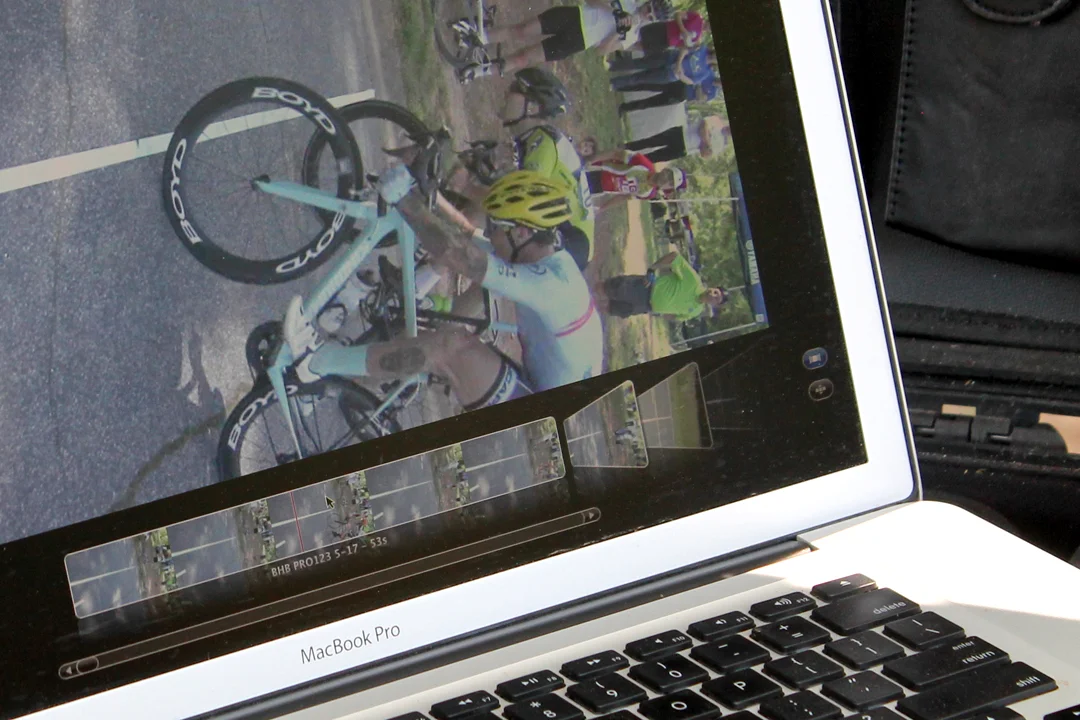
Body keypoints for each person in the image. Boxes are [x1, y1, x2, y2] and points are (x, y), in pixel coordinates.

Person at [283, 167, 604, 413]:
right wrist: (425, 197)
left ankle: (314, 364)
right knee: (448, 330)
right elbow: (466, 239)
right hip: (546, 384)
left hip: (544, 416)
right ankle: (345, 381)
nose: (491, 236)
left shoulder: (551, 285)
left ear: (521, 232)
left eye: (496, 229)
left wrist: (406, 201)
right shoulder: (540, 254)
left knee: (450, 347)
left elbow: (462, 257)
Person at [458, 1, 649, 82]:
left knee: (525, 58)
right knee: (522, 30)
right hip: (574, 17)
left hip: (578, 42)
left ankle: (478, 71)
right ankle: (478, 38)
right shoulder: (628, 2)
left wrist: (618, 32)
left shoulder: (632, 35)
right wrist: (614, 10)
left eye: (651, 14)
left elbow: (601, 50)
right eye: (650, 6)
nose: (647, 12)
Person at [595, 250, 727, 321]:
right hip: (645, 288)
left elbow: (676, 317)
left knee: (611, 309)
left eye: (717, 299)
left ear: (715, 305)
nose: (713, 296)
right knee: (607, 289)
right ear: (712, 287)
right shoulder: (694, 280)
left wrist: (659, 312)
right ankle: (582, 292)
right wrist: (652, 269)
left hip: (645, 307)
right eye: (716, 292)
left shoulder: (697, 311)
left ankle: (585, 311)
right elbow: (674, 257)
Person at [584, 150, 688, 210]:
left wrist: (602, 208)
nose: (667, 181)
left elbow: (624, 197)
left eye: (671, 183)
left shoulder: (649, 194)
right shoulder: (644, 164)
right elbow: (615, 153)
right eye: (669, 176)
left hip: (601, 189)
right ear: (665, 170)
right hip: (595, 171)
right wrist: (589, 161)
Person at [624, 114, 725, 163]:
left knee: (654, 157)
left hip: (684, 149)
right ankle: (626, 147)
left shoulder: (720, 145)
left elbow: (705, 154)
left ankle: (631, 163)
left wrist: (706, 139)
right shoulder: (716, 121)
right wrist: (707, 142)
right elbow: (703, 127)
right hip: (680, 133)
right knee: (651, 141)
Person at [633, 10, 709, 55]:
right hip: (665, 29)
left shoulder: (698, 39)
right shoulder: (697, 18)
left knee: (642, 47)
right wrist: (683, 30)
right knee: (638, 35)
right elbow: (678, 14)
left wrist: (687, 47)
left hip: (667, 43)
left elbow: (679, 46)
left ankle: (623, 49)